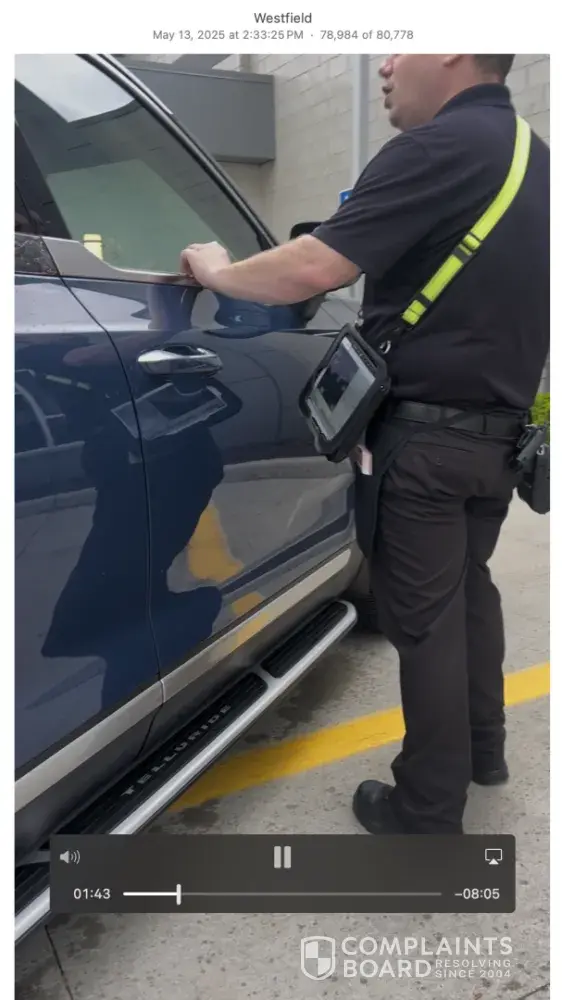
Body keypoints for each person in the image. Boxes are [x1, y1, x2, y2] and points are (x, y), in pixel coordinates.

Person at [180, 54, 550, 834]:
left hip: (423, 442)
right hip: (499, 441)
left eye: (402, 42)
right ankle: (483, 751)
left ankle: (426, 810)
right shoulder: (534, 159)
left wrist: (217, 270)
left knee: (425, 622)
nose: (384, 64)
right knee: (470, 593)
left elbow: (313, 267)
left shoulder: (437, 147)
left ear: (454, 49)